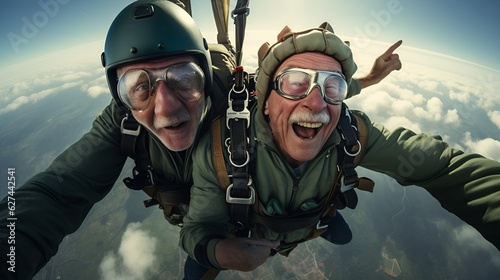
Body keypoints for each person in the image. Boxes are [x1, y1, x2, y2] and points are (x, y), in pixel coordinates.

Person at [0, 1, 402, 279]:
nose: (167, 108)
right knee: (199, 262)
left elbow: (304, 97)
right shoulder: (122, 122)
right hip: (200, 219)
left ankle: (319, 215)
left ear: (206, 77)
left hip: (243, 204)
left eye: (184, 79)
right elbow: (55, 193)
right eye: (139, 86)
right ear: (119, 95)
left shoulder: (236, 94)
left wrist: (365, 79)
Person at [179, 22, 500, 276]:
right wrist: (221, 252)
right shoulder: (223, 150)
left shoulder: (351, 133)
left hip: (311, 219)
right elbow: (195, 231)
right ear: (264, 102)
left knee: (342, 235)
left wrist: (372, 76)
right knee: (198, 269)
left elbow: (445, 167)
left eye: (332, 86)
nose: (316, 102)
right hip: (247, 228)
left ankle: (320, 217)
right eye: (294, 82)